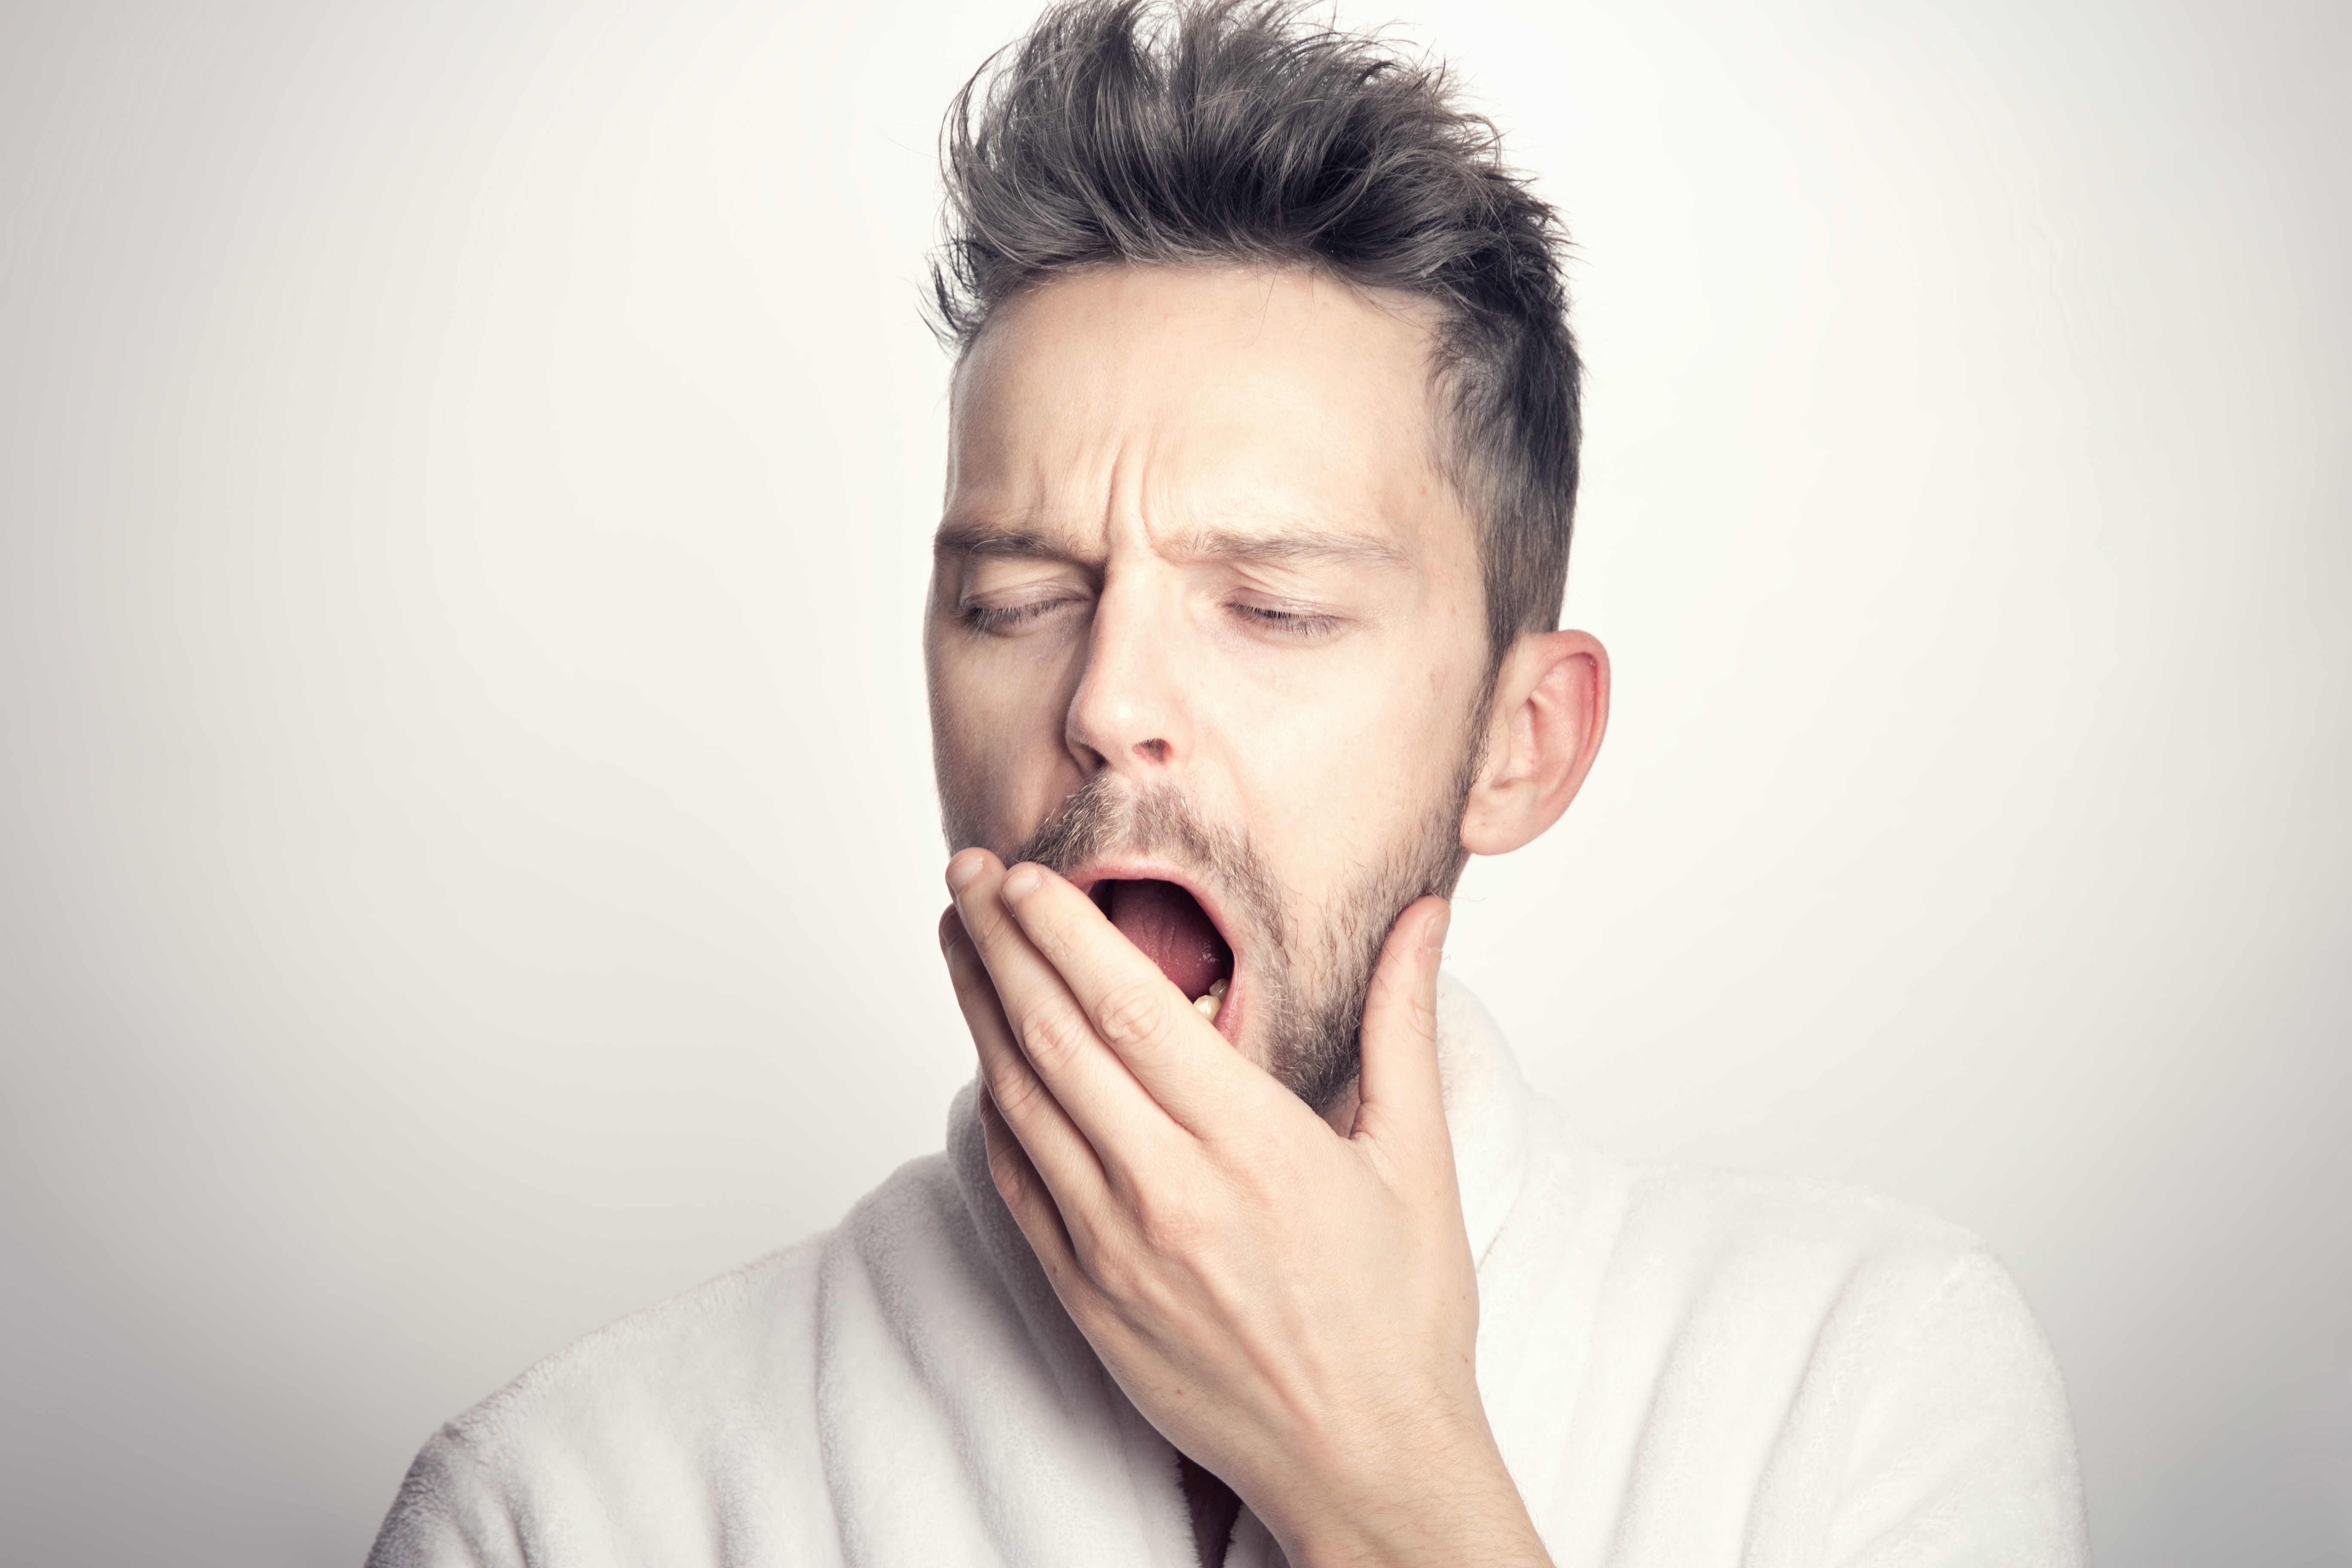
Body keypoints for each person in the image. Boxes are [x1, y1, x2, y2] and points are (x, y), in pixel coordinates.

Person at [368, 3, 2086, 1564]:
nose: (1108, 701)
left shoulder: (1863, 1388)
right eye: (1016, 601)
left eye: (1270, 607)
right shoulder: (566, 1503)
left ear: (1522, 746)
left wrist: (1373, 1469)